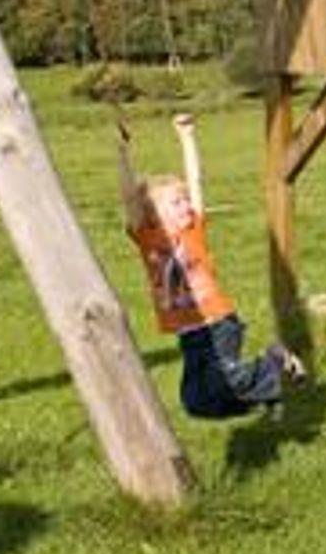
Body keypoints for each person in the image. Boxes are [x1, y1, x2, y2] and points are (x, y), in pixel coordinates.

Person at [118, 113, 303, 420]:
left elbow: (196, 181)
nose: (186, 206)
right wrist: (123, 153)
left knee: (222, 379)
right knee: (195, 402)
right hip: (189, 335)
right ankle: (265, 393)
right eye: (176, 202)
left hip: (217, 323)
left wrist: (187, 137)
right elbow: (129, 198)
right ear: (153, 214)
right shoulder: (147, 238)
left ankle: (274, 363)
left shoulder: (193, 230)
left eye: (185, 200)